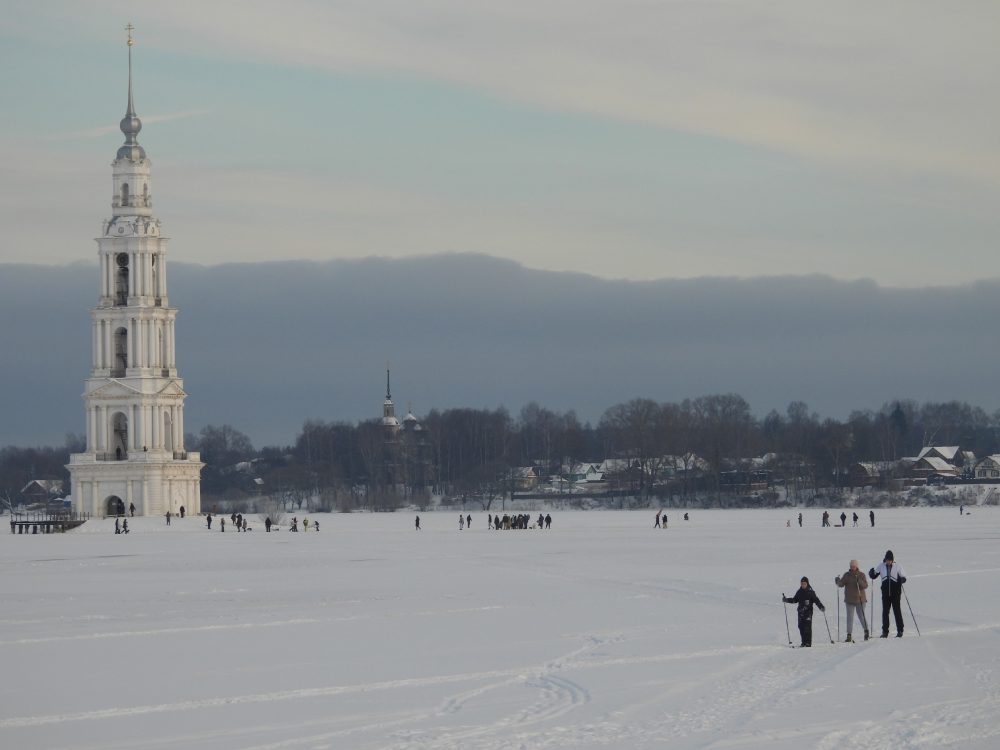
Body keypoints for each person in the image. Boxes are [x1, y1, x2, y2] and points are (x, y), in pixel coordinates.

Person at [870, 550, 906, 638]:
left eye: (890, 560)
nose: (888, 562)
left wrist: (901, 580)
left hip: (896, 593)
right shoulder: (881, 566)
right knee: (885, 612)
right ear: (885, 559)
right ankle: (885, 632)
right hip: (885, 593)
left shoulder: (897, 566)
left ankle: (900, 630)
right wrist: (871, 573)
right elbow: (874, 575)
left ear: (892, 560)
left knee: (897, 612)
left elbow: (904, 577)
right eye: (887, 560)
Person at [783, 577, 825, 647]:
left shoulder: (811, 592)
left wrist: (821, 606)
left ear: (807, 583)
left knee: (807, 628)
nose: (803, 585)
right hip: (800, 612)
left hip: (808, 612)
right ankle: (803, 642)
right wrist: (786, 600)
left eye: (804, 584)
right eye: (802, 584)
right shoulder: (799, 591)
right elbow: (794, 600)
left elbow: (816, 600)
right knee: (800, 627)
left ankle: (808, 643)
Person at [835, 559, 870, 642]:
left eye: (854, 566)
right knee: (849, 618)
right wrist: (837, 581)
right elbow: (841, 584)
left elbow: (865, 585)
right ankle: (849, 635)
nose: (852, 568)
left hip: (860, 600)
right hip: (849, 600)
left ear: (857, 566)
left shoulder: (861, 575)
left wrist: (859, 581)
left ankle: (866, 631)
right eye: (851, 566)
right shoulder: (847, 575)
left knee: (861, 616)